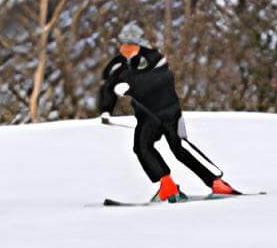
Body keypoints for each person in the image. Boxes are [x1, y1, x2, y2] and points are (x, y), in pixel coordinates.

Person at [98, 25, 239, 202]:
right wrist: (106, 110)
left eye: (131, 44)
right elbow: (108, 86)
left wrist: (131, 88)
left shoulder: (154, 58)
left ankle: (216, 183)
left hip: (169, 112)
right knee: (142, 147)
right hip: (147, 116)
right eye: (124, 44)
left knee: (179, 148)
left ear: (139, 44)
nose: (126, 48)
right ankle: (168, 186)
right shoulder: (117, 65)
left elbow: (159, 79)